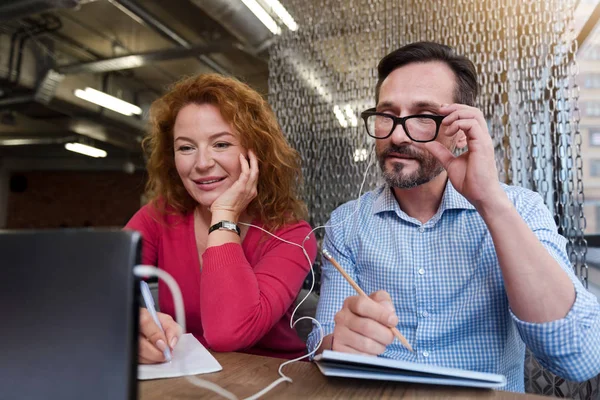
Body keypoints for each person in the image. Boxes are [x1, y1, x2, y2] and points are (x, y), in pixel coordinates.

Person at [307, 41, 600, 392]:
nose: (397, 134)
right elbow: (322, 345)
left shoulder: (519, 209)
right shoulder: (346, 222)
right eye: (387, 115)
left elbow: (579, 357)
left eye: (423, 117)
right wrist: (340, 344)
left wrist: (490, 202)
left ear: (459, 128)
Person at [126, 73, 317, 364]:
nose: (201, 163)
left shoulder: (292, 234)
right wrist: (129, 321)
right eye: (186, 147)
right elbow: (94, 288)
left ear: (256, 153)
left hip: (273, 381)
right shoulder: (160, 216)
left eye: (221, 144)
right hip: (185, 379)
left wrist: (224, 216)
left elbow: (229, 334)